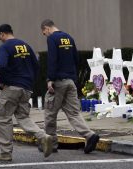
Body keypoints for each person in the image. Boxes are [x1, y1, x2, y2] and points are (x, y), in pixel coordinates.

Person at [0, 24, 53, 161]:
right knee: (23, 117)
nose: (0, 40)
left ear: (2, 34)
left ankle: (5, 153)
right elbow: (36, 66)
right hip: (26, 88)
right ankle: (43, 136)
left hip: (11, 87)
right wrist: (30, 82)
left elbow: (2, 65)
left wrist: (2, 82)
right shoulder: (25, 45)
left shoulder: (5, 47)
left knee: (2, 118)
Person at [40, 19, 100, 154]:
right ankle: (90, 135)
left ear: (47, 28)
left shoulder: (52, 39)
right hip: (70, 82)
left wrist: (50, 79)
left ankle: (51, 144)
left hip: (58, 82)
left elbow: (52, 59)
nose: (45, 35)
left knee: (50, 113)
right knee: (73, 113)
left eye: (44, 32)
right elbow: (75, 59)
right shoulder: (69, 37)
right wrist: (73, 78)